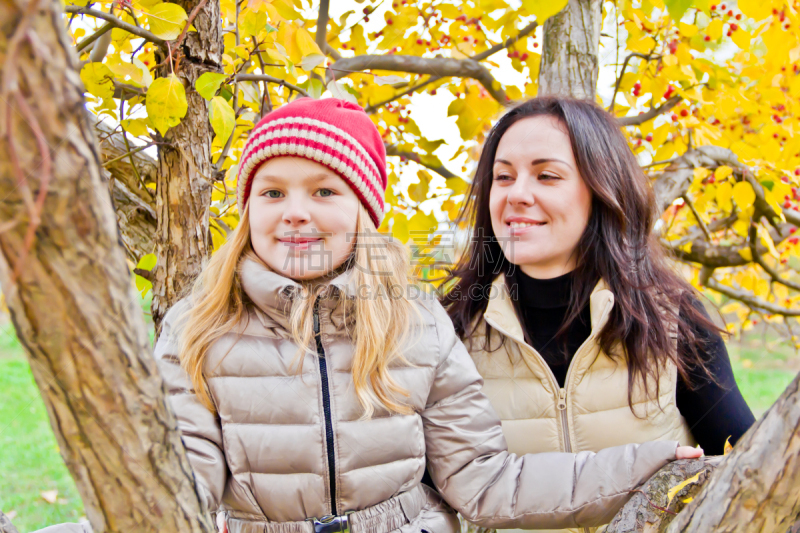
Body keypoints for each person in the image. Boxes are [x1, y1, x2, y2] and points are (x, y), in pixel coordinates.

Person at [153, 97, 701, 533]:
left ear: (363, 213)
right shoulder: (198, 328)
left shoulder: (412, 323)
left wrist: (641, 465)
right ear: (249, 211)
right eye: (272, 192)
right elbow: (177, 492)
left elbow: (484, 482)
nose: (296, 212)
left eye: (324, 190)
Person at [440, 96, 754, 533]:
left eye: (546, 176)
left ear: (602, 189)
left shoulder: (671, 319)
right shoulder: (449, 332)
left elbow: (749, 475)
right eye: (503, 176)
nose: (517, 195)